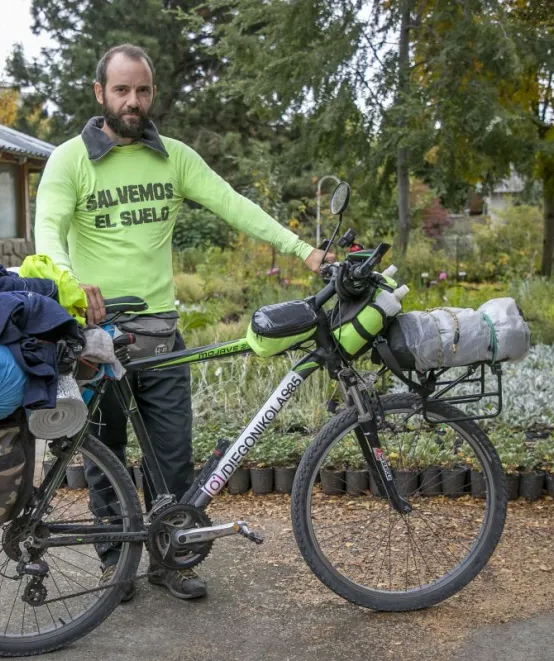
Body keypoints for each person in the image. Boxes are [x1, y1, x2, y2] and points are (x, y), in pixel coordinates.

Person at [34, 43, 332, 602]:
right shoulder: (69, 160)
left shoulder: (173, 156)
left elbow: (233, 203)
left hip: (162, 335)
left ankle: (171, 560)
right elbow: (48, 232)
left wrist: (304, 250)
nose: (133, 100)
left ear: (152, 94)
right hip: (97, 338)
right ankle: (113, 566)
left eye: (142, 90)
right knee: (105, 461)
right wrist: (69, 283)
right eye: (121, 90)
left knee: (172, 459)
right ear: (100, 93)